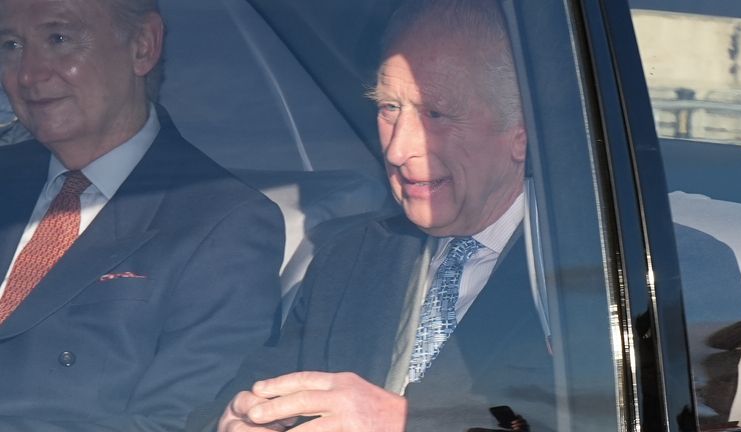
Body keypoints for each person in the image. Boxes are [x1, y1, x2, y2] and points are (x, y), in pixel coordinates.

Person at [194, 1, 557, 431]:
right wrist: (240, 420)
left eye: (434, 114)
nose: (397, 150)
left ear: (522, 132)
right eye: (389, 108)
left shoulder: (594, 266)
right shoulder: (349, 258)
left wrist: (406, 423)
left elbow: (596, 417)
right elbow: (239, 396)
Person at [0, 0, 284, 431]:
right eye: (11, 44)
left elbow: (179, 421)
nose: (29, 74)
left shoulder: (224, 224)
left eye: (58, 39)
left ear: (142, 47)